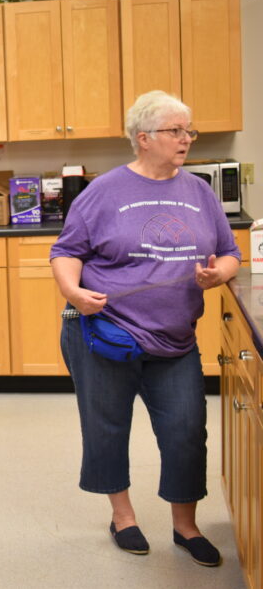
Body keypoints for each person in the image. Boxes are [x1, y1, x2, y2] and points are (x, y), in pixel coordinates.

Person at [50, 90, 240, 567]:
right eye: (176, 130)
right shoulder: (105, 191)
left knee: (185, 431)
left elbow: (230, 251)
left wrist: (220, 274)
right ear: (143, 139)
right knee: (107, 428)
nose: (187, 139)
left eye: (188, 130)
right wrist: (73, 293)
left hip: (175, 340)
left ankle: (185, 525)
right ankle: (123, 516)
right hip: (107, 334)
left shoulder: (198, 191)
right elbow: (66, 252)